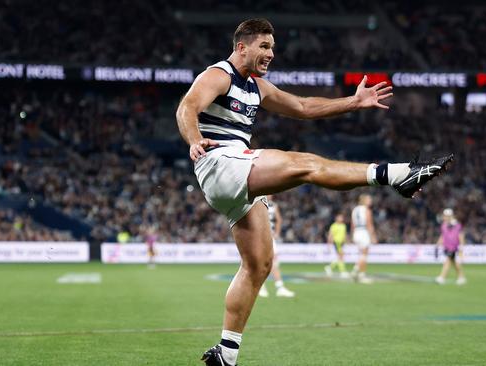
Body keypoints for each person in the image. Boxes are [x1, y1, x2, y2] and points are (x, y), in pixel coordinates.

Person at [175, 18, 453, 366]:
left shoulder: (257, 87)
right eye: (264, 46)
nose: (271, 53)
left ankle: (225, 355)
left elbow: (304, 107)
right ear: (241, 46)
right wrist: (194, 139)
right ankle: (397, 174)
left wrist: (352, 103)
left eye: (273, 47)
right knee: (305, 164)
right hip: (220, 162)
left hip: (233, 175)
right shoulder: (218, 75)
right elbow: (187, 107)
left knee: (259, 265)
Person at [258, 195, 295, 298]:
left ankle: (279, 287)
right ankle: (261, 287)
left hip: (270, 237)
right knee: (259, 262)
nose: (270, 195)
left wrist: (277, 232)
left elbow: (279, 219)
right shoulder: (257, 203)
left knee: (273, 261)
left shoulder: (274, 205)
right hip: (258, 237)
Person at [435, 208, 466, 285]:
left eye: (447, 216)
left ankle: (442, 277)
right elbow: (443, 236)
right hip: (446, 247)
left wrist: (461, 248)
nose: (445, 217)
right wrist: (438, 244)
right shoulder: (443, 225)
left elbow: (461, 236)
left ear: (451, 216)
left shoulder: (457, 225)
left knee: (448, 261)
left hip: (454, 247)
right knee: (454, 263)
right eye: (445, 216)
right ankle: (461, 277)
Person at [351, 194, 377, 284]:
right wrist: (373, 236)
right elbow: (369, 224)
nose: (370, 201)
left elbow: (352, 224)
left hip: (356, 232)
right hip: (363, 232)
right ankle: (359, 274)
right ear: (364, 201)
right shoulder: (366, 210)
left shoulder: (355, 210)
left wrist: (353, 235)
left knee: (361, 254)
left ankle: (357, 272)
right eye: (369, 199)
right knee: (364, 255)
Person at [325, 213, 349, 279]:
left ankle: (329, 267)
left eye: (342, 218)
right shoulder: (334, 226)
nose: (341, 219)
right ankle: (343, 271)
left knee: (340, 257)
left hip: (342, 243)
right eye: (340, 217)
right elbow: (330, 235)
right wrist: (329, 243)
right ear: (336, 218)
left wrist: (346, 241)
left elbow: (344, 235)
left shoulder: (343, 225)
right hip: (337, 242)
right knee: (341, 256)